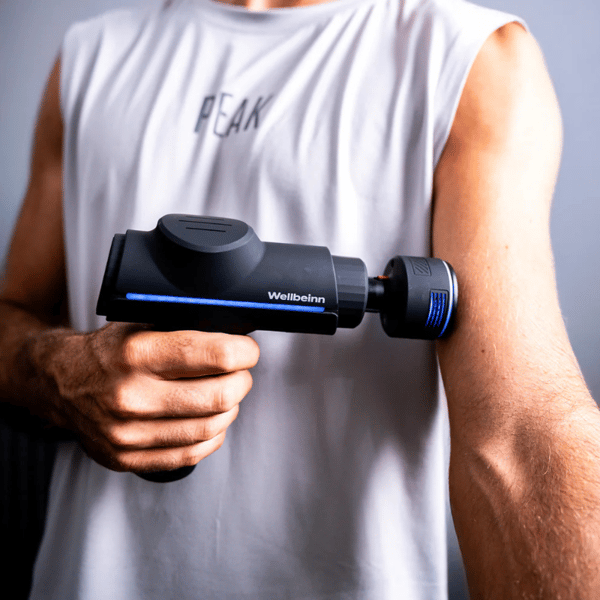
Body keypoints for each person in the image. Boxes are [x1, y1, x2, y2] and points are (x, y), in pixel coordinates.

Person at [1, 0, 599, 597]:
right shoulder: (91, 57)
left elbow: (521, 438)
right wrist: (55, 371)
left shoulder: (468, 59)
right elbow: (11, 316)